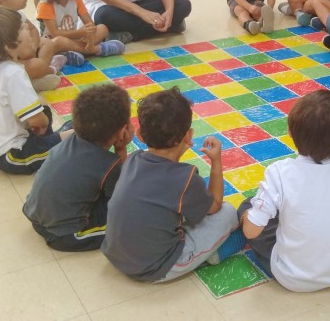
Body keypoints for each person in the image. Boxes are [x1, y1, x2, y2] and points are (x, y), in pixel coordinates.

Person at [102, 88, 239, 282]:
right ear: (188, 136)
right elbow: (215, 205)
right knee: (228, 212)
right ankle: (213, 254)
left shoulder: (132, 159)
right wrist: (216, 161)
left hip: (115, 255)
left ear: (140, 134)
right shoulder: (186, 177)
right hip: (156, 267)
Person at [238, 90, 330, 292]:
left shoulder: (279, 172)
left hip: (292, 277)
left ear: (290, 132)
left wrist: (247, 216)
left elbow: (251, 231)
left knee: (248, 205)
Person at [22, 85, 133, 251]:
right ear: (123, 130)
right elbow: (124, 196)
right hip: (65, 235)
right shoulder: (110, 165)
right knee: (131, 218)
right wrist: (121, 148)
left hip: (35, 215)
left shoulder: (69, 139)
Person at [0, 7, 74, 174]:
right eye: (22, 28)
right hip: (15, 155)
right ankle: (62, 138)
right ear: (8, 46)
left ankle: (58, 137)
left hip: (0, 147)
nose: (28, 29)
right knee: (80, 136)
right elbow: (38, 121)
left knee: (47, 113)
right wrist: (42, 123)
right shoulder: (13, 73)